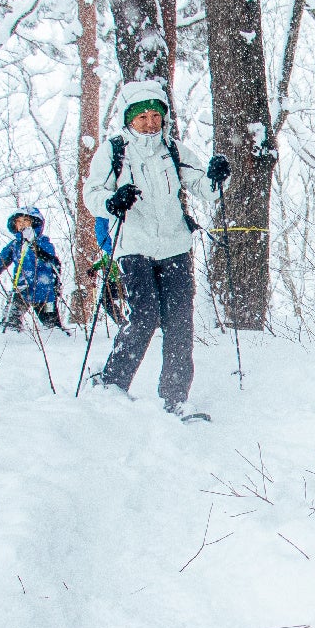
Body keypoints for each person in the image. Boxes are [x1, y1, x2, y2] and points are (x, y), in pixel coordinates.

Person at [82, 80, 227, 420]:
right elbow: (92, 195)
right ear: (128, 119)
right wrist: (112, 201)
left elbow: (204, 188)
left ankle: (175, 399)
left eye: (155, 116)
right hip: (134, 247)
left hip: (175, 246)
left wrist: (217, 178)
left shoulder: (173, 150)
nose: (149, 123)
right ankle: (112, 385)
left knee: (179, 323)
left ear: (164, 118)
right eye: (141, 116)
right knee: (144, 317)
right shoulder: (114, 151)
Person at [0, 206, 64, 332]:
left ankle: (58, 347)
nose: (22, 225)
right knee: (9, 323)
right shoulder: (14, 245)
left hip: (44, 291)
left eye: (26, 221)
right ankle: (12, 344)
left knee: (52, 327)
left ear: (34, 223)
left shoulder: (43, 242)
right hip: (21, 290)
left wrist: (33, 245)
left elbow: (50, 259)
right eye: (19, 222)